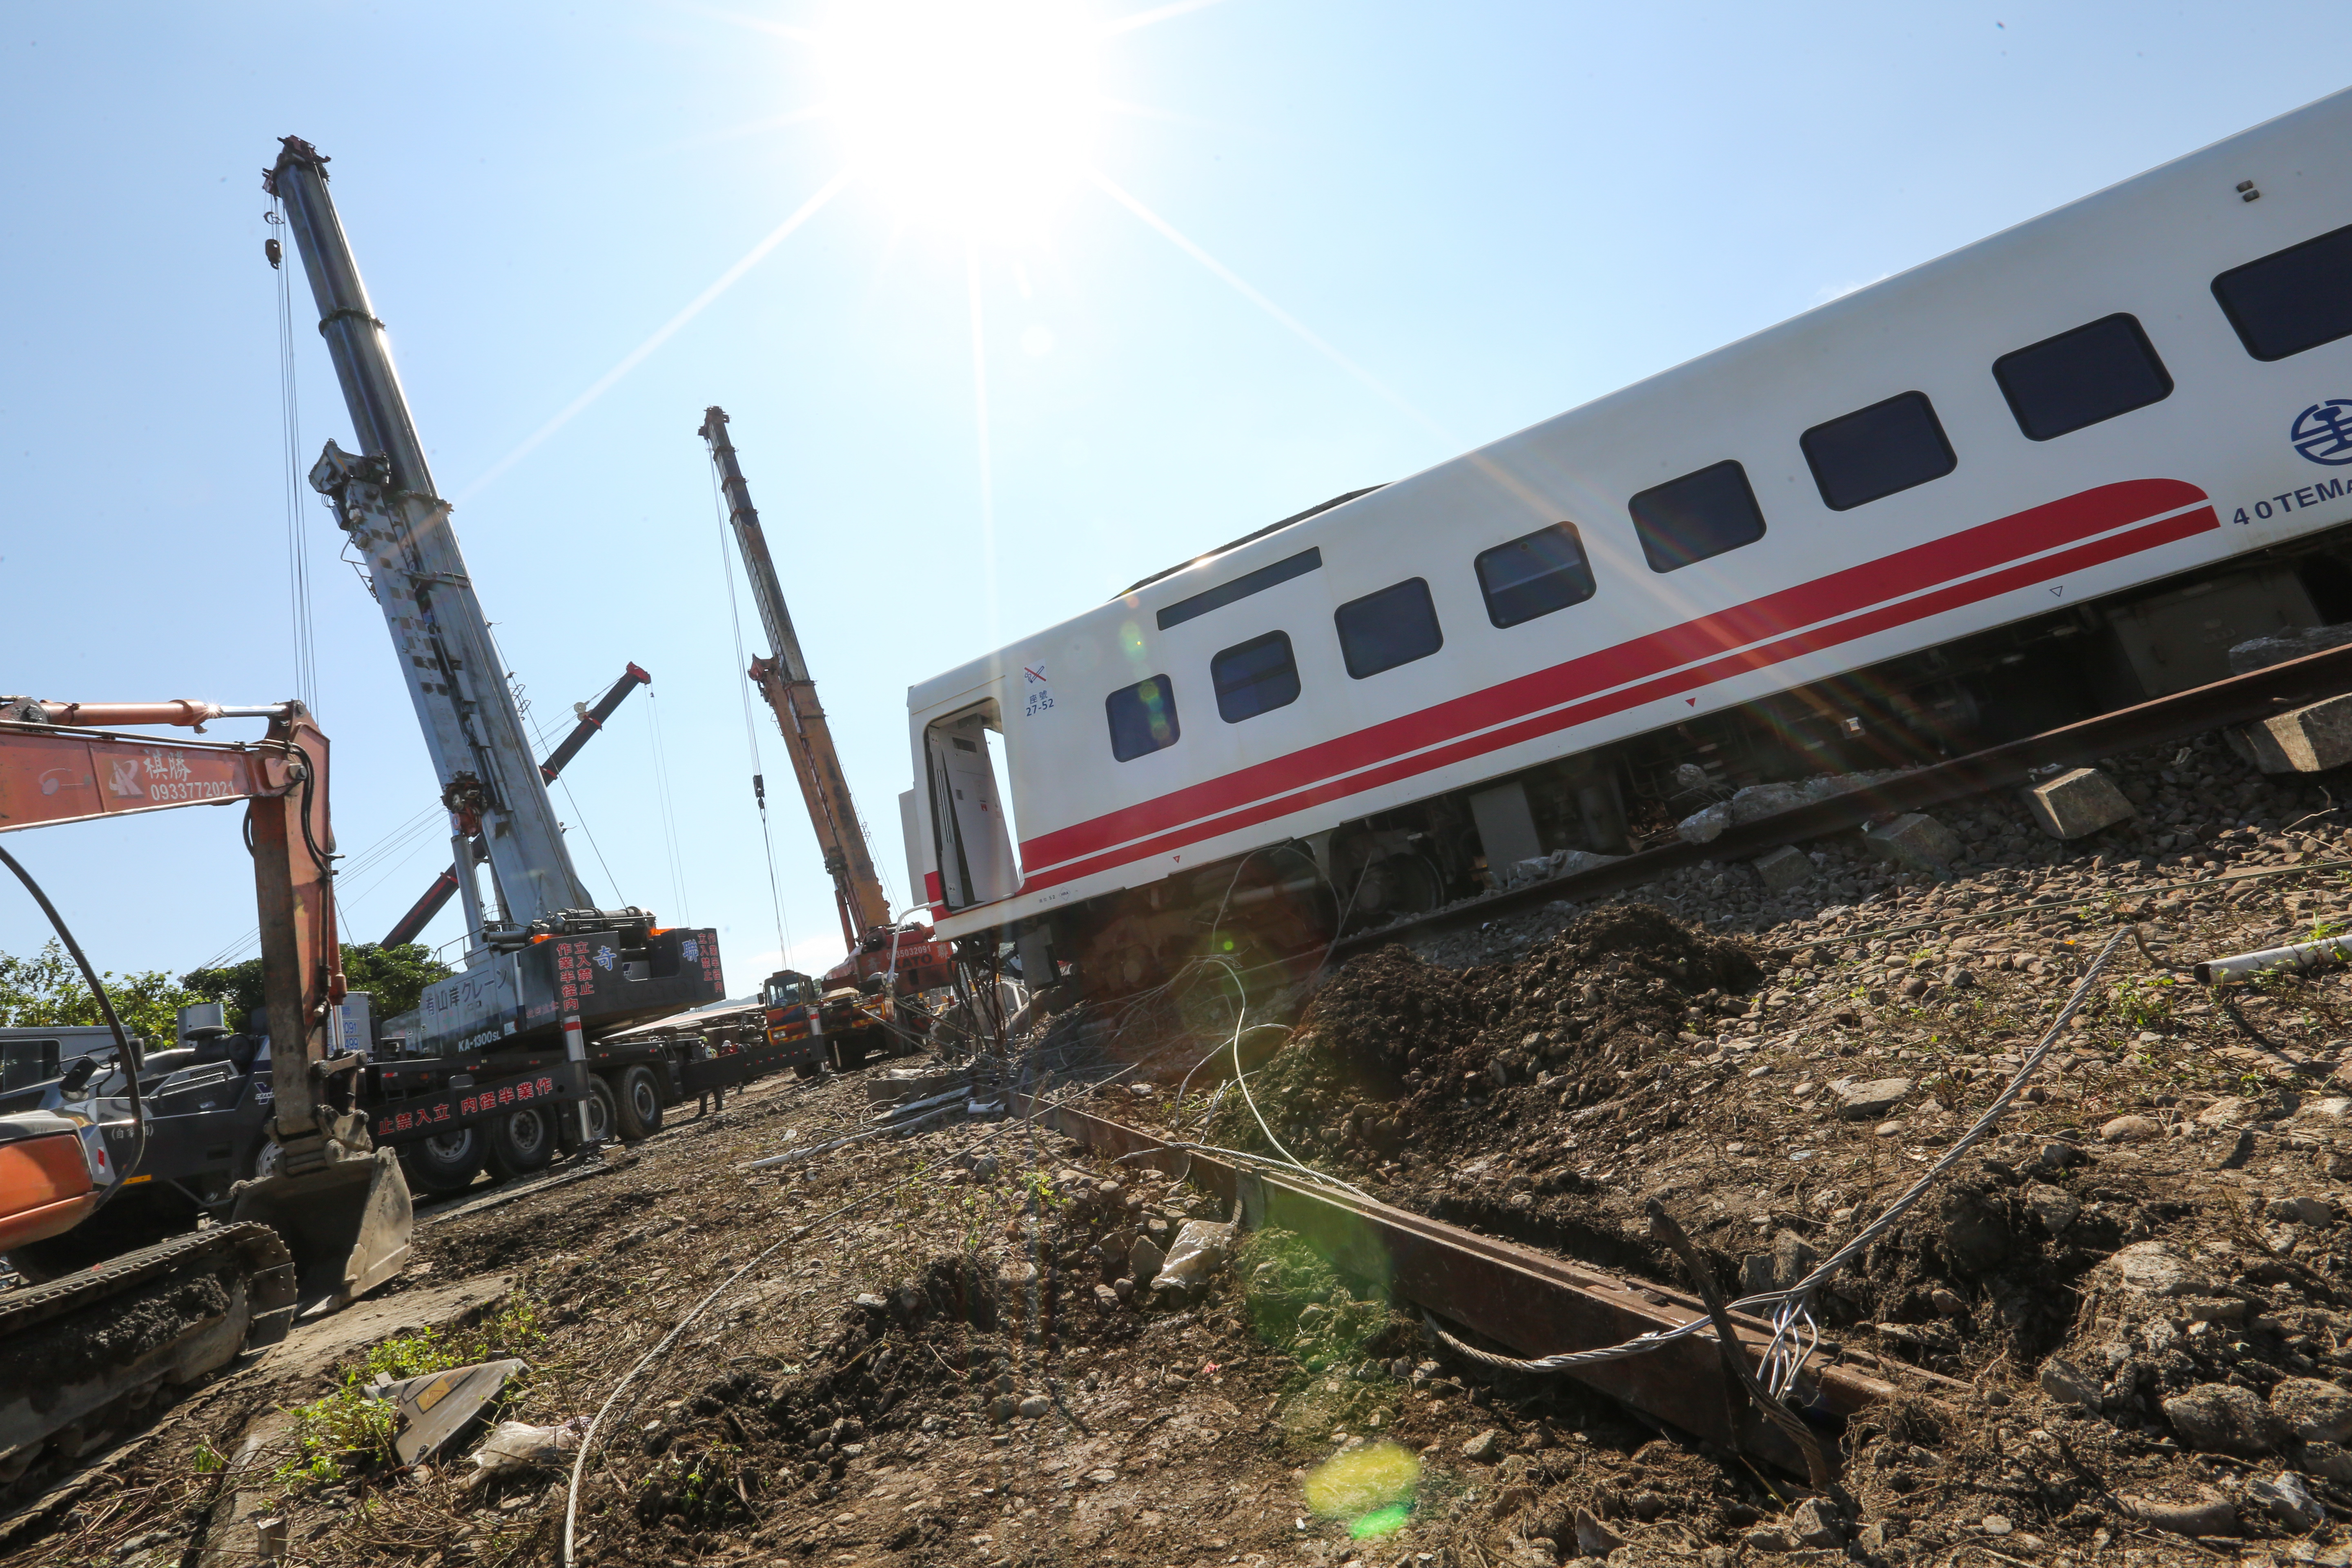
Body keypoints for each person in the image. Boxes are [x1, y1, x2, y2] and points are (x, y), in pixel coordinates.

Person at [692, 1033, 726, 1117]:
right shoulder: (713, 1050)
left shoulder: (704, 1052)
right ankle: (719, 1108)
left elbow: (703, 1064)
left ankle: (703, 1111)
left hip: (708, 1075)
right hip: (716, 1074)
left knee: (704, 1094)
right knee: (717, 1092)